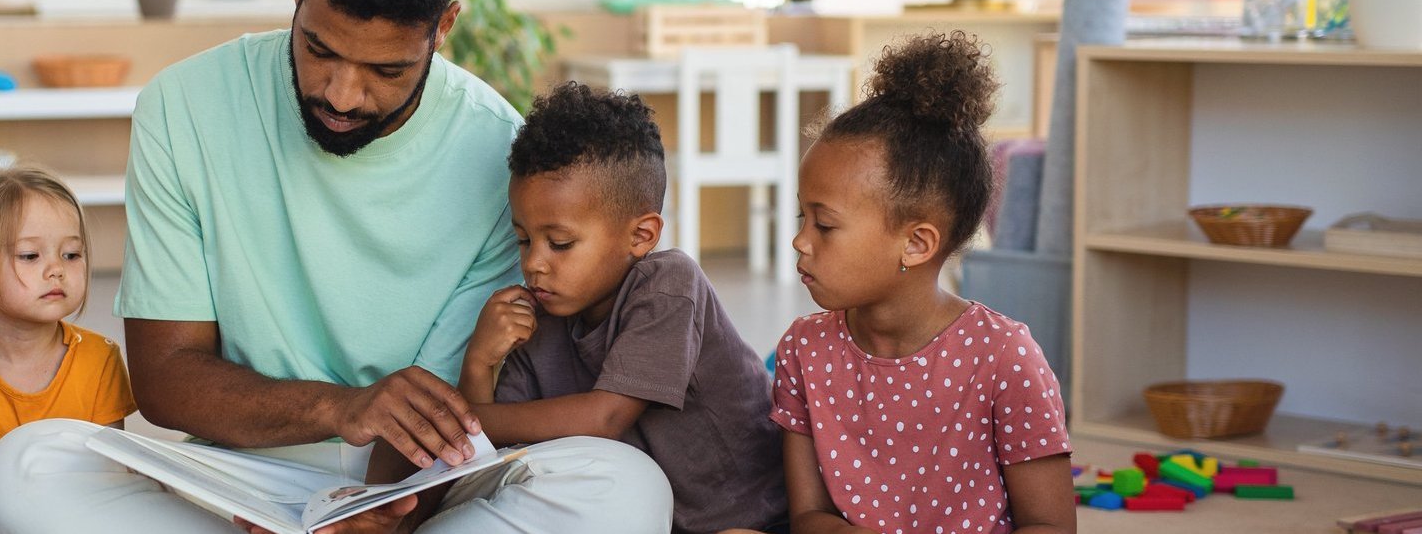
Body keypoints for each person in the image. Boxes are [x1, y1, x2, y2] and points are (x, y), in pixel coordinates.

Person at [0, 0, 671, 534]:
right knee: (24, 465)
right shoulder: (183, 106)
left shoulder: (498, 151)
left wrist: (381, 516)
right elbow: (164, 378)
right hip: (239, 479)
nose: (341, 95)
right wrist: (342, 407)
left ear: (444, 26)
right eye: (320, 50)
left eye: (385, 69)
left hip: (420, 486)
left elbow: (452, 406)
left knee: (624, 486)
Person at [760, 32, 1075, 534]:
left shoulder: (1004, 357)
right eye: (803, 216)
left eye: (824, 224)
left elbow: (1051, 525)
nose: (800, 241)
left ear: (916, 244)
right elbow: (809, 517)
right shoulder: (804, 349)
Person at [461, 82, 790, 534]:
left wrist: (465, 421)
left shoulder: (669, 285)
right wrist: (480, 362)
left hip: (758, 518)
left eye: (560, 243)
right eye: (524, 239)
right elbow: (491, 463)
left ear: (641, 236)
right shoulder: (535, 320)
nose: (534, 263)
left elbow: (605, 417)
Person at [0, 167, 135, 534]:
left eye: (71, 254)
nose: (56, 270)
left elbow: (109, 486)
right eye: (30, 255)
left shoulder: (102, 360)